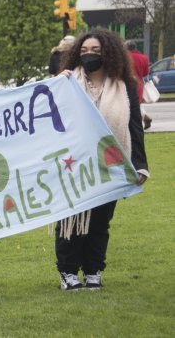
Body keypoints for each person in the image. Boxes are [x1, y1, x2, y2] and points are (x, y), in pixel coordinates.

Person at [57, 29, 149, 291]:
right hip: (72, 164)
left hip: (110, 165)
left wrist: (140, 163)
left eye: (95, 51)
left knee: (100, 221)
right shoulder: (67, 83)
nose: (89, 55)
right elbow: (44, 111)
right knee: (70, 220)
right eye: (84, 51)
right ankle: (67, 272)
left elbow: (134, 125)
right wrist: (55, 83)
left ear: (108, 53)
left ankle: (93, 270)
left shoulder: (125, 86)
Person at [125, 40, 153, 130]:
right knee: (136, 104)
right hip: (139, 85)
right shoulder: (144, 58)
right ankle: (145, 117)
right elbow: (146, 73)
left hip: (127, 84)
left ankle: (144, 118)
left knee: (129, 105)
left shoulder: (125, 57)